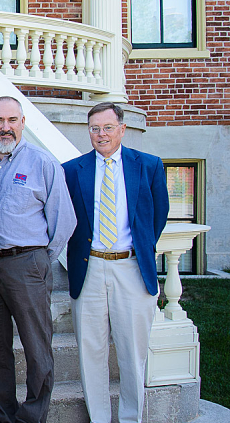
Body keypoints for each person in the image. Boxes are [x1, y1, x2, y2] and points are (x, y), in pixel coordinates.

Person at [63, 102, 169, 423]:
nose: (101, 134)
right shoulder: (72, 170)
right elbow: (67, 220)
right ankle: (98, 418)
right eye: (95, 128)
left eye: (108, 127)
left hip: (132, 270)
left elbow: (158, 216)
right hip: (90, 269)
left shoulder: (148, 165)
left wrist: (140, 249)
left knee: (132, 353)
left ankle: (131, 417)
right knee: (91, 353)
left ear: (122, 129)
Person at [0, 96, 76, 423]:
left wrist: (40, 259)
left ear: (22, 123)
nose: (5, 127)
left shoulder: (42, 163)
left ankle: (32, 416)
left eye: (11, 120)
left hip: (27, 263)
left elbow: (64, 221)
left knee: (37, 346)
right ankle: (3, 414)